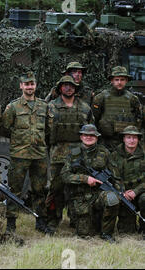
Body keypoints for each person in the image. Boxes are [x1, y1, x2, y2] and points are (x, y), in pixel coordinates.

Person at [1, 72, 52, 235]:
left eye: (32, 84)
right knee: (14, 190)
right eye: (26, 84)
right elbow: (5, 127)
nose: (29, 87)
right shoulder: (13, 107)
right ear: (21, 86)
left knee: (40, 190)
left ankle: (41, 221)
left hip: (39, 155)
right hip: (19, 155)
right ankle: (11, 224)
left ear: (35, 86)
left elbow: (49, 129)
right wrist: (20, 141)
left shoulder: (44, 106)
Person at [46, 75, 94, 233]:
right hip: (57, 153)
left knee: (77, 188)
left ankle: (76, 219)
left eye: (71, 85)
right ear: (60, 88)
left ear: (76, 88)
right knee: (55, 189)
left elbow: (91, 133)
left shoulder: (85, 108)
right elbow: (45, 131)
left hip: (78, 155)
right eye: (65, 85)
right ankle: (53, 220)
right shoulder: (51, 106)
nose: (68, 88)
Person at [61, 124, 120, 243]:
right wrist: (85, 179)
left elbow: (116, 176)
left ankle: (107, 233)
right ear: (81, 137)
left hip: (98, 195)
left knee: (112, 198)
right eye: (86, 135)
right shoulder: (73, 153)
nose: (89, 137)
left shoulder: (104, 152)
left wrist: (119, 191)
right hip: (79, 197)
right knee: (84, 234)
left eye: (92, 135)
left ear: (97, 137)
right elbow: (64, 176)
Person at [92, 66, 143, 151]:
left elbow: (139, 119)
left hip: (126, 143)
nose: (119, 82)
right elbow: (94, 119)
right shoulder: (101, 97)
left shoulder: (132, 99)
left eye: (122, 80)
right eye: (117, 80)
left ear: (126, 81)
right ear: (112, 81)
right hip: (105, 143)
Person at [109, 126, 144, 238]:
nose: (131, 140)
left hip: (140, 192)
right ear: (124, 139)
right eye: (128, 137)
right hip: (123, 194)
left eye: (134, 137)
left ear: (138, 139)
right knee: (127, 234)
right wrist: (122, 192)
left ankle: (144, 228)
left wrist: (135, 191)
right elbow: (114, 177)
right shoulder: (114, 155)